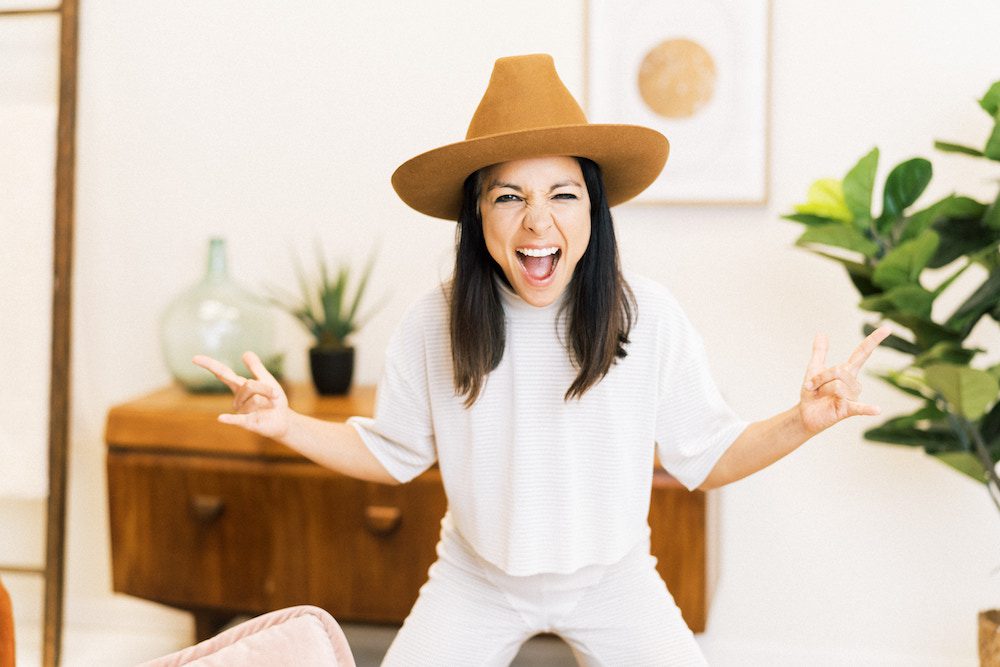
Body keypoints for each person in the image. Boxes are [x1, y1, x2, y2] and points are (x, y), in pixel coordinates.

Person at [194, 54, 890, 666]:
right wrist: (287, 426)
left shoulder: (646, 318)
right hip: (476, 577)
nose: (537, 221)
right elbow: (391, 452)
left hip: (615, 579)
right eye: (509, 197)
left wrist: (802, 420)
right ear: (477, 216)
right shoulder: (435, 322)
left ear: (593, 210)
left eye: (563, 194)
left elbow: (707, 457)